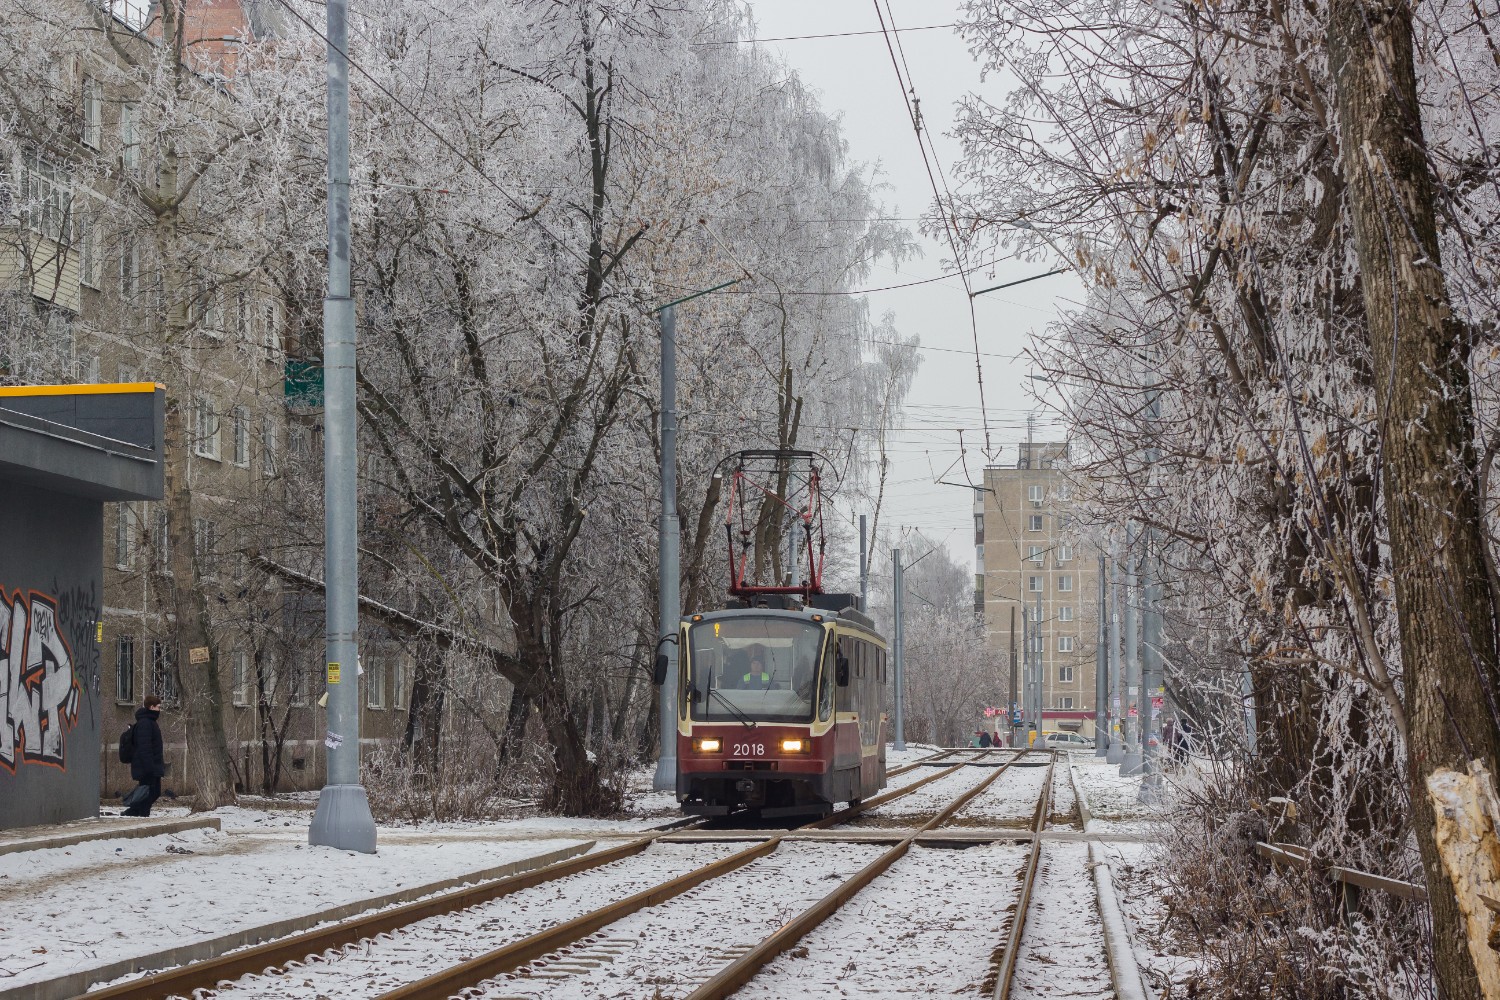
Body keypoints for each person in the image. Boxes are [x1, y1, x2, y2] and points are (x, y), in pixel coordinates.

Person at [123, 695, 166, 817]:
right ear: (151, 707)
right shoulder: (145, 723)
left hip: (151, 765)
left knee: (152, 792)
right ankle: (136, 812)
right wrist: (149, 767)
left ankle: (136, 812)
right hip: (147, 766)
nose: (159, 710)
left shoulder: (149, 722)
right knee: (149, 792)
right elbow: (144, 747)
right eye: (158, 707)